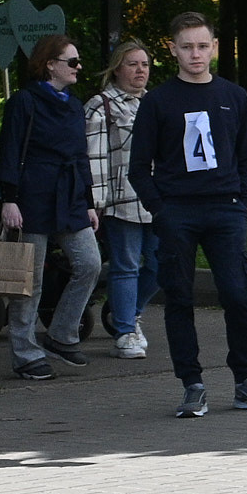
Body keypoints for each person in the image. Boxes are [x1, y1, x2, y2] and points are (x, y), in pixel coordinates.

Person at [130, 11, 247, 417]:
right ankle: (191, 383)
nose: (196, 54)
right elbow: (139, 166)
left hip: (226, 209)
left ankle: (244, 381)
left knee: (237, 294)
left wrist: (243, 201)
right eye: (187, 46)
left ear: (214, 47)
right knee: (179, 296)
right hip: (177, 211)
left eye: (202, 45)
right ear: (172, 49)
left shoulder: (234, 96)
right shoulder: (158, 101)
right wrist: (160, 209)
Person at [0, 35, 103, 383]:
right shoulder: (24, 102)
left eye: (78, 61)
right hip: (32, 199)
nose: (78, 68)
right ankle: (25, 354)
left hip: (70, 197)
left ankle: (61, 334)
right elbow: (10, 150)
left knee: (90, 263)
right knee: (30, 280)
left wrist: (88, 202)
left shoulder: (74, 105)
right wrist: (9, 198)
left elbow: (80, 155)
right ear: (49, 65)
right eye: (71, 61)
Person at [86, 39, 158, 358]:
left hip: (159, 199)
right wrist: (97, 201)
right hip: (121, 199)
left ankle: (128, 311)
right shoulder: (101, 106)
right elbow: (94, 157)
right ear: (116, 69)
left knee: (163, 265)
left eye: (144, 64)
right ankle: (126, 331)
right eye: (133, 64)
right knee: (126, 265)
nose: (140, 70)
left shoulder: (156, 102)